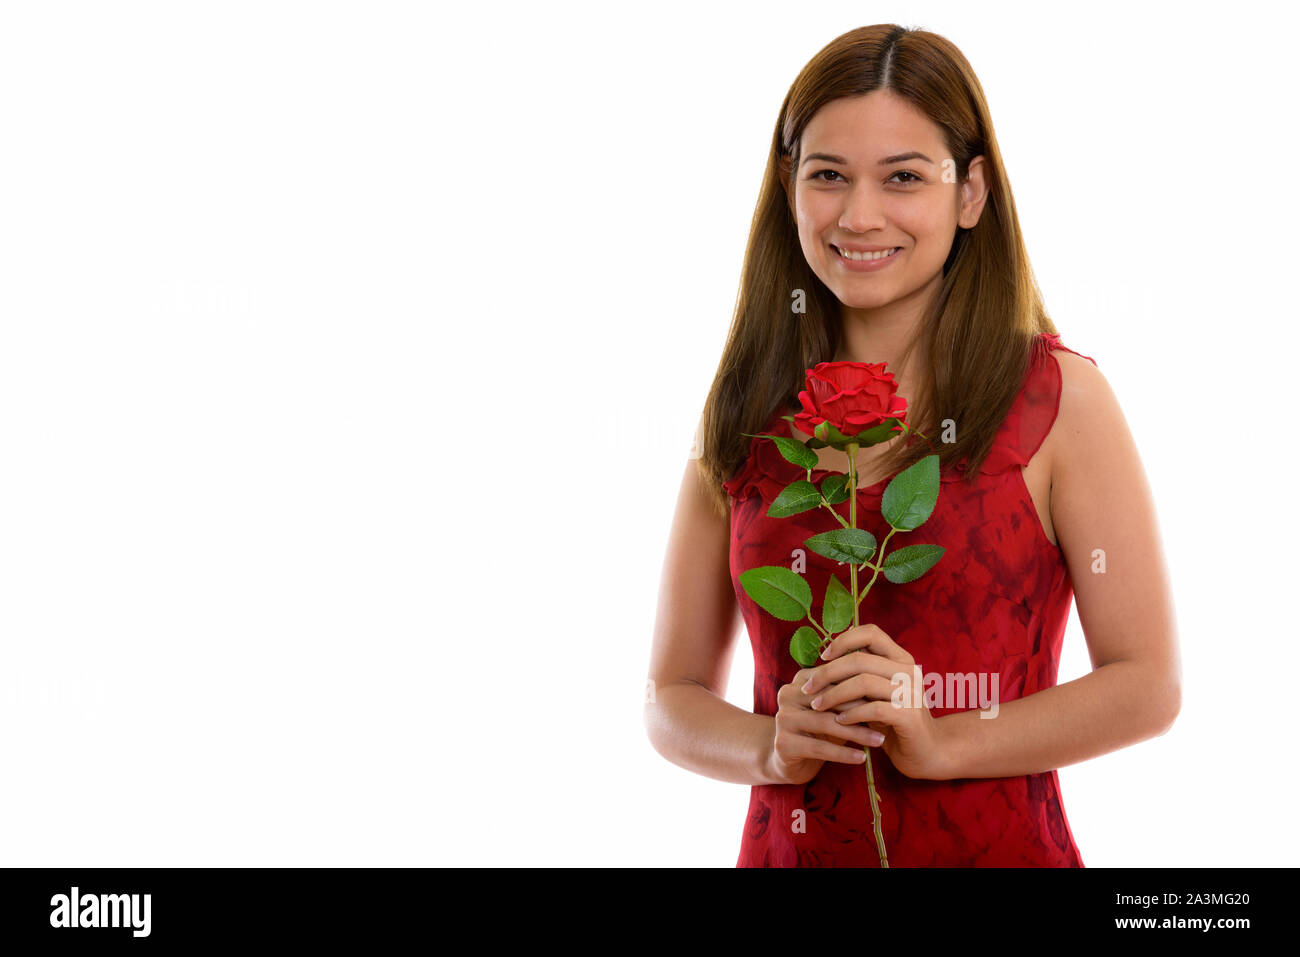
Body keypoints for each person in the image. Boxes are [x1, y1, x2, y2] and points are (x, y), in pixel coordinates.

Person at [643, 24, 1181, 867]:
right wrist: (770, 750)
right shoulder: (747, 410)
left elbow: (1147, 684)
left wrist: (942, 741)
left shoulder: (1062, 401)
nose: (860, 216)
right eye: (827, 176)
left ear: (970, 192)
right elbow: (669, 697)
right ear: (789, 187)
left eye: (902, 177)